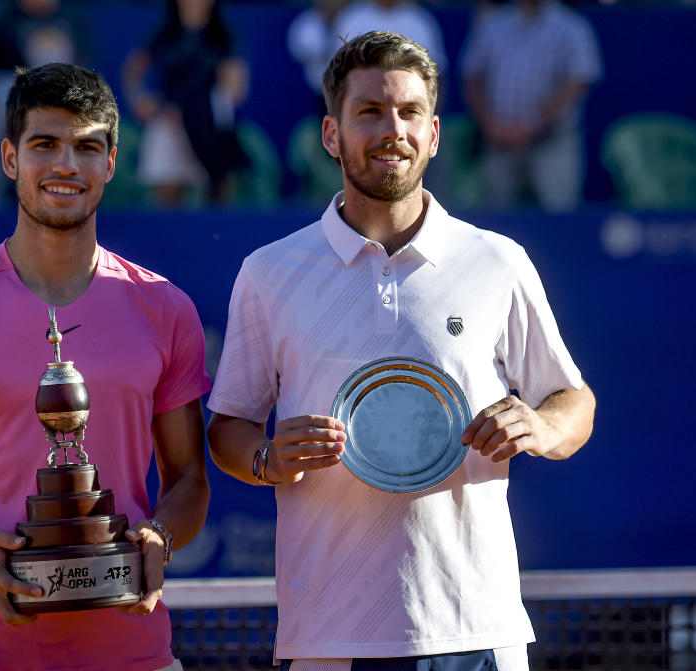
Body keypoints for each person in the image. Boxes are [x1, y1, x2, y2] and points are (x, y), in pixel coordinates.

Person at [206, 31, 596, 671]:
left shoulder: (498, 261)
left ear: (435, 133)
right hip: (325, 640)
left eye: (410, 112)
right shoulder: (269, 272)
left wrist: (543, 422)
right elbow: (230, 427)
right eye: (370, 112)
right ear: (331, 135)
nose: (393, 130)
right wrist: (265, 458)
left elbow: (572, 401)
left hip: (474, 633)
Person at [0, 63, 212, 671]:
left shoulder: (165, 309)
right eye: (44, 144)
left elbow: (189, 481)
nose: (66, 166)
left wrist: (160, 537)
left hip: (135, 658)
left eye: (87, 146)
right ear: (8, 158)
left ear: (111, 161)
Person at [461, 0, 602, 212]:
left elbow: (577, 82)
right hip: (499, 140)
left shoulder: (572, 26)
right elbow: (472, 77)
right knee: (497, 218)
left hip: (552, 141)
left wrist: (532, 124)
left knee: (558, 216)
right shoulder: (493, 23)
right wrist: (489, 124)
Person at [122, 0, 249, 205]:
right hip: (170, 122)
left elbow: (236, 88)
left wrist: (201, 108)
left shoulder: (223, 36)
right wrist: (140, 99)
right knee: (167, 182)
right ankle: (167, 233)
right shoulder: (164, 34)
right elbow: (134, 71)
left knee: (219, 187)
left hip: (209, 127)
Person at [0, 0, 86, 209]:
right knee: (3, 99)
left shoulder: (72, 19)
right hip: (10, 101)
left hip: (60, 102)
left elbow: (82, 73)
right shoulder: (4, 19)